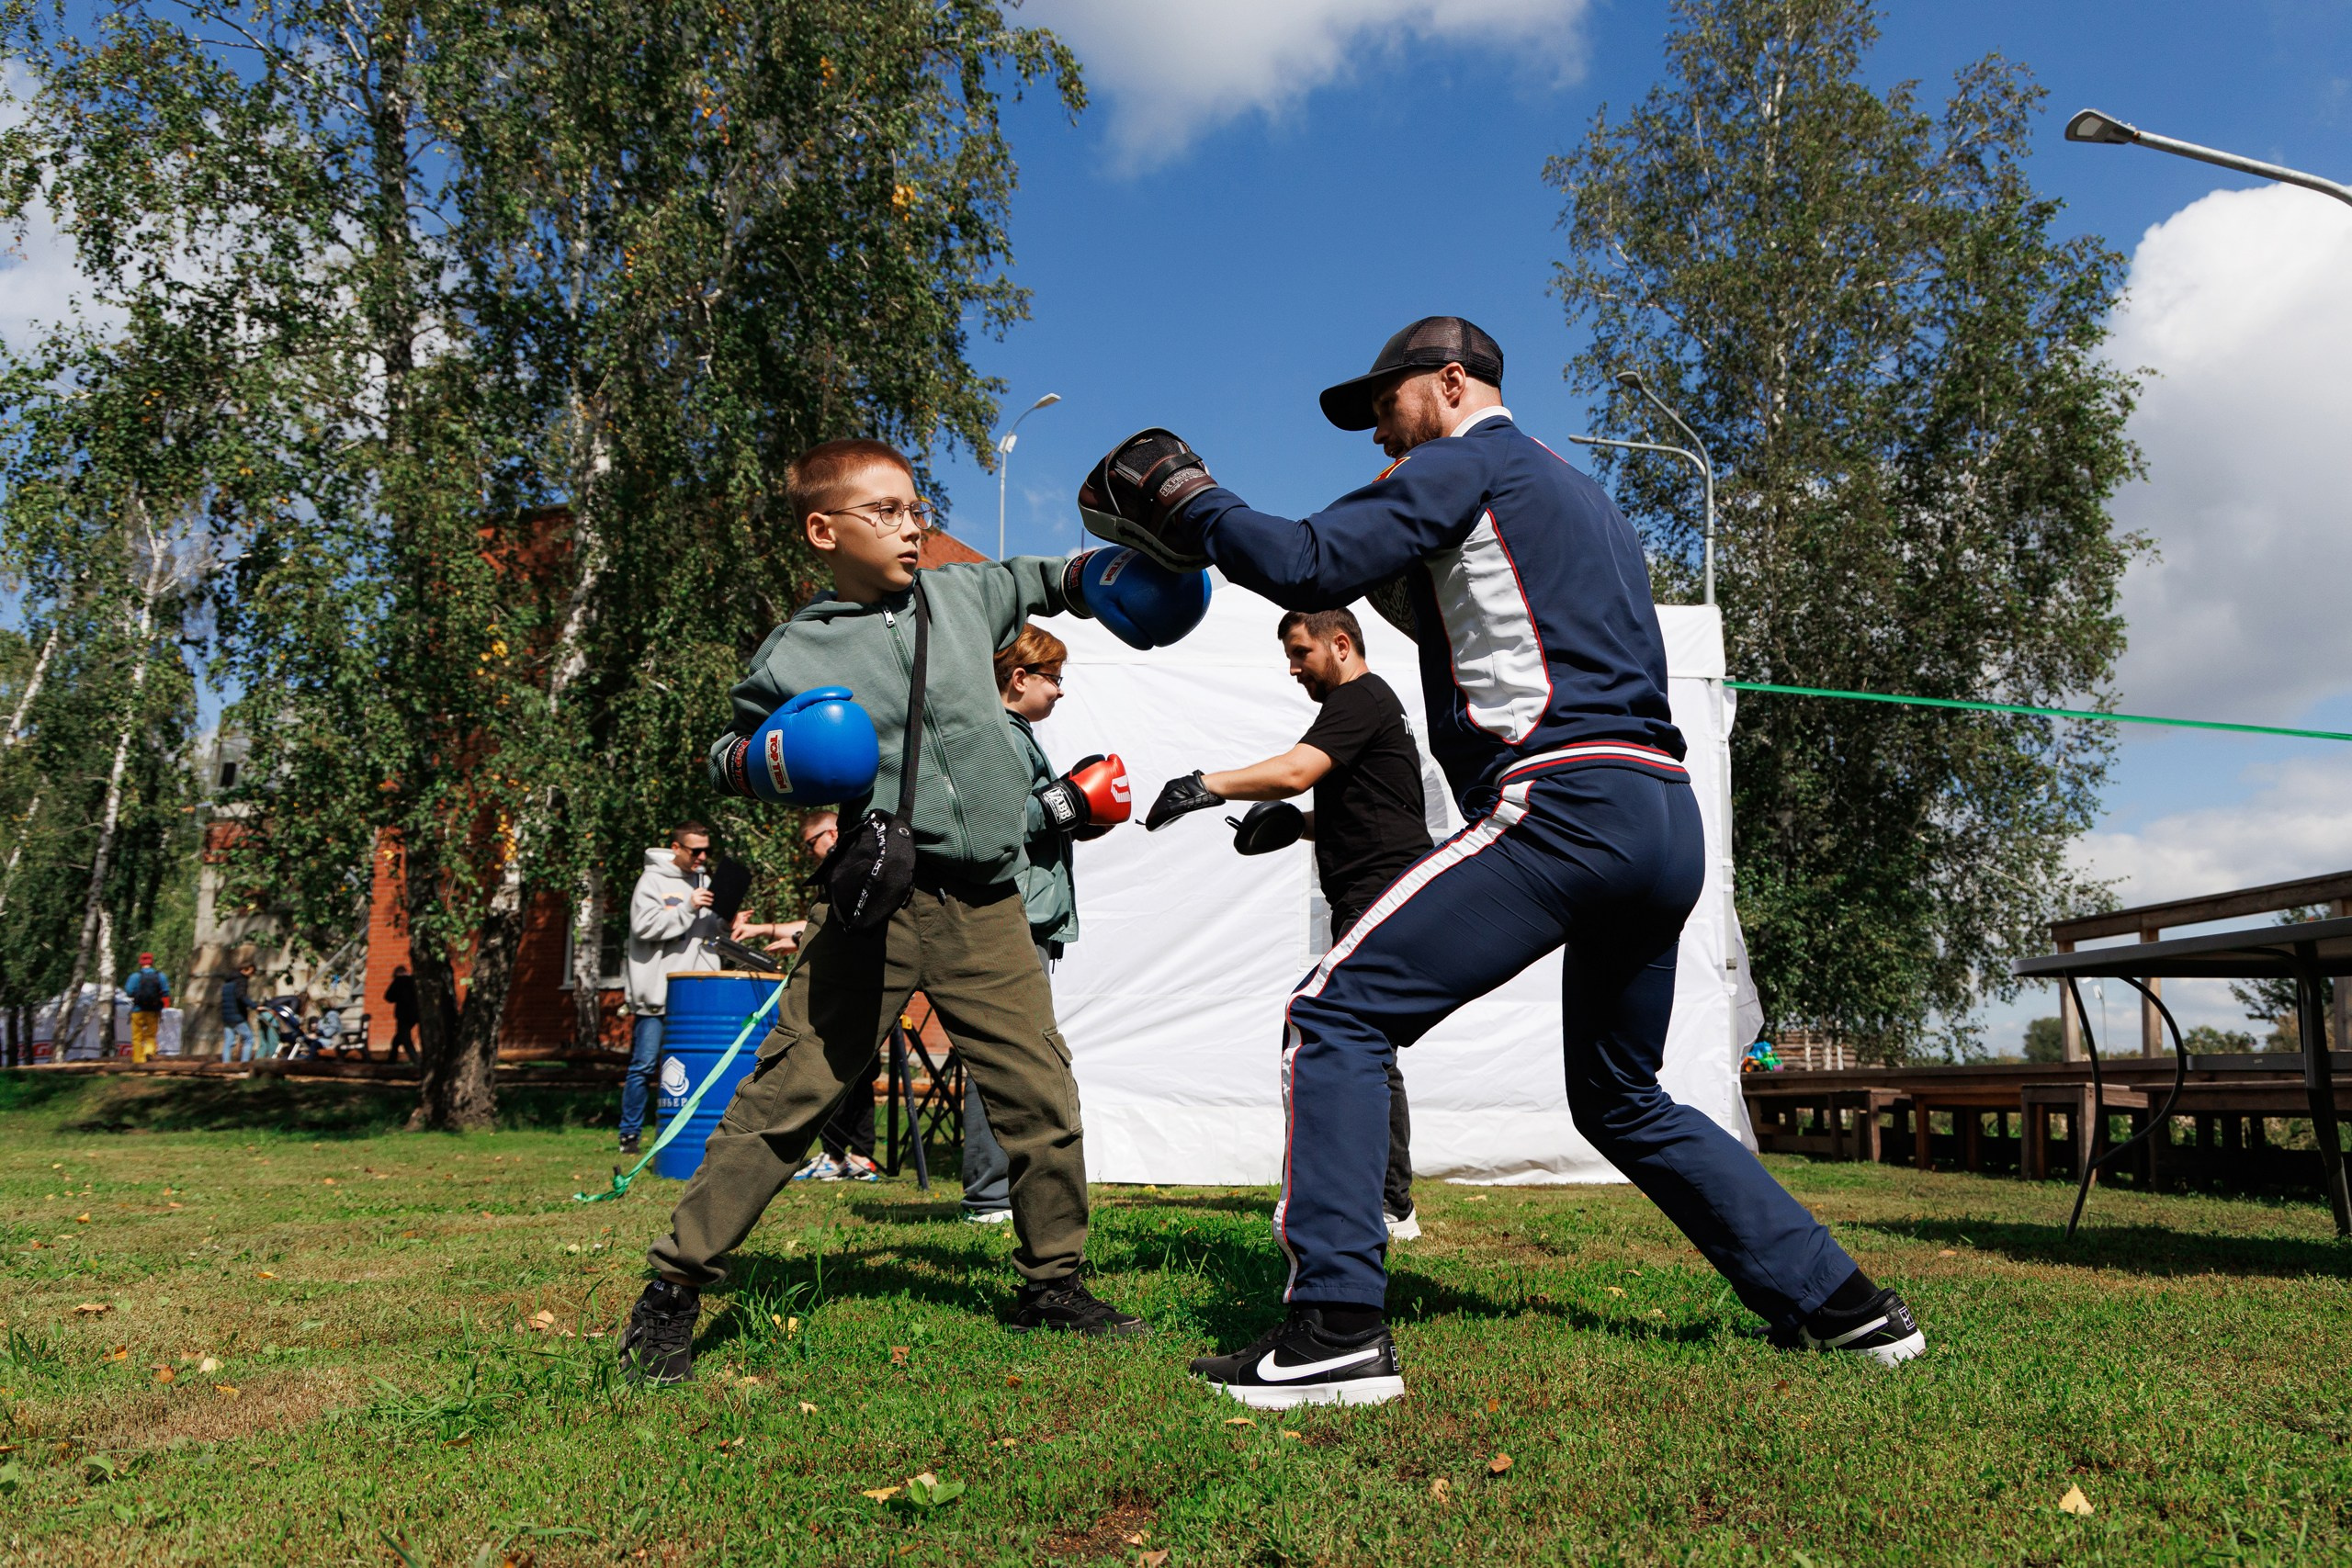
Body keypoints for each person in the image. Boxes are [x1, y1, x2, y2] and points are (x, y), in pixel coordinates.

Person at [1076, 316, 1925, 1408]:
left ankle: (1333, 1328)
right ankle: (1846, 1308)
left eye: (1384, 406)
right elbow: (1460, 608)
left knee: (1333, 1015)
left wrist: (1186, 496)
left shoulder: (1465, 461)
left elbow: (1307, 564)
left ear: (1448, 382)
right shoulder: (1583, 500)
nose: (1379, 434)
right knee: (1620, 1095)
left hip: (1565, 801)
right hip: (1661, 817)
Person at [617, 435, 1200, 1384]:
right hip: (876, 907)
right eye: (882, 511)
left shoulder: (964, 597)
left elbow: (1059, 577)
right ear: (823, 530)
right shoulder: (799, 647)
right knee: (786, 1099)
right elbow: (726, 750)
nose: (908, 524)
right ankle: (674, 1288)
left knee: (1040, 1096)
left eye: (913, 506)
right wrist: (775, 760)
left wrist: (1138, 570)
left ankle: (1052, 1282)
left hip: (986, 902)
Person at [1147, 606, 1432, 1239]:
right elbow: (1372, 810)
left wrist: (1206, 785)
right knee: (1360, 1040)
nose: (1293, 667)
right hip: (1374, 890)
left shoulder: (1360, 696)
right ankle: (1391, 1202)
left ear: (1340, 643)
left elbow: (1297, 770)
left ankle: (1387, 1202)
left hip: (1379, 892)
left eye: (1301, 652)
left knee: (1327, 1025)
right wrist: (1294, 824)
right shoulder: (1368, 706)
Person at [970, 622, 1094, 1226]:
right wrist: (1060, 804)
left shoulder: (1013, 735)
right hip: (1010, 914)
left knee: (1020, 1052)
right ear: (1020, 678)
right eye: (1055, 678)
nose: (1060, 691)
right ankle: (990, 1193)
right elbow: (989, 818)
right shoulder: (993, 734)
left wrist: (1074, 809)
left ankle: (1000, 1189)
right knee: (1008, 1053)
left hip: (1028, 911)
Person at [740, 812, 885, 1186]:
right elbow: (818, 923)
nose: (809, 853)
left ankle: (850, 1156)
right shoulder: (851, 865)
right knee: (843, 1074)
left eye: (811, 843)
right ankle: (845, 1156)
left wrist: (795, 937)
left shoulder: (855, 864)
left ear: (833, 832)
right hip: (854, 986)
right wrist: (768, 929)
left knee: (842, 1073)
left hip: (857, 986)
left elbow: (836, 924)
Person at [621, 823, 725, 1158]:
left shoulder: (704, 881)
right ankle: (630, 1135)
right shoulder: (651, 881)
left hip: (697, 991)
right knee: (645, 1064)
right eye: (695, 851)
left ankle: (687, 1132)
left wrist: (728, 921)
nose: (702, 857)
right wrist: (688, 907)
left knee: (697, 1064)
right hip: (658, 992)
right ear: (676, 848)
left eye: (706, 850)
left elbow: (706, 934)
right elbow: (643, 927)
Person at [124, 953, 171, 1065]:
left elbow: (129, 992)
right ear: (151, 962)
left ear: (140, 962)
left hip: (138, 1011)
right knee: (150, 1035)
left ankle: (138, 1061)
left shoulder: (135, 976)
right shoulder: (160, 976)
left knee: (137, 1037)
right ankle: (148, 1052)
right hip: (153, 1011)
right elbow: (166, 992)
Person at [220, 961, 258, 1065]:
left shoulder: (228, 981)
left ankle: (226, 1066)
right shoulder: (241, 980)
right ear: (248, 969)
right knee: (249, 1039)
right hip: (236, 1015)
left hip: (226, 1016)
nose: (252, 975)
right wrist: (255, 1006)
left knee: (229, 1041)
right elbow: (240, 996)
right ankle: (244, 1066)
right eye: (252, 971)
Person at [383, 964, 419, 1062]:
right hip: (415, 1015)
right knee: (398, 1039)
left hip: (403, 1015)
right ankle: (391, 1059)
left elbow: (388, 997)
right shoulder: (415, 981)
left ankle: (416, 1061)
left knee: (405, 1039)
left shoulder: (398, 981)